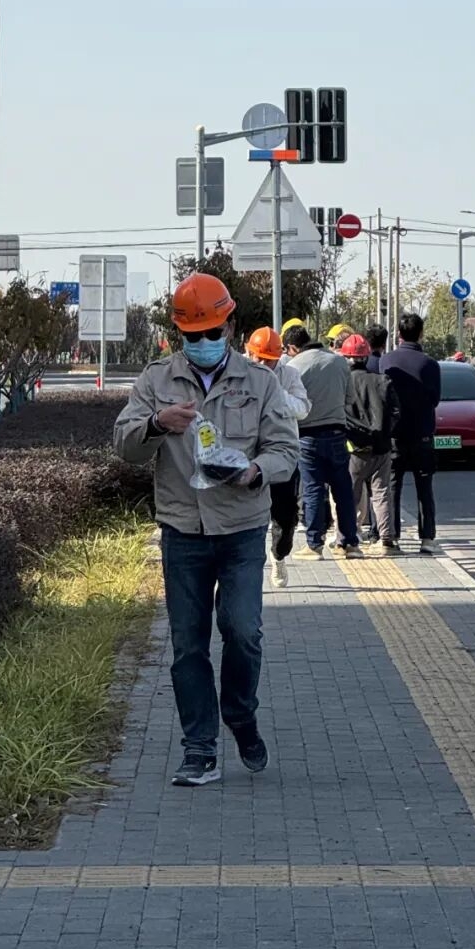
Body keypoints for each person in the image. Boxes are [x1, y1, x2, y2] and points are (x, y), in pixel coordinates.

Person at [114, 274, 298, 787]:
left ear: (230, 327)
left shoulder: (260, 381)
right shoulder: (156, 380)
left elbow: (286, 449)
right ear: (179, 334)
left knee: (243, 630)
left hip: (240, 527)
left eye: (212, 332)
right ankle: (200, 748)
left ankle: (239, 714)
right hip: (182, 529)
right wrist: (157, 425)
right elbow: (124, 445)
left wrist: (255, 471)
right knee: (188, 646)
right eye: (192, 336)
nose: (202, 342)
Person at [283, 325, 363, 558]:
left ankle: (314, 545)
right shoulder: (339, 362)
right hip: (338, 433)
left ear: (292, 347)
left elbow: (289, 405)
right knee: (343, 490)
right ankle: (350, 543)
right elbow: (350, 399)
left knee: (313, 489)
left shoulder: (294, 367)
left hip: (307, 436)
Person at [244, 325, 310, 588]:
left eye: (268, 360)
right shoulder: (238, 374)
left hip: (282, 457)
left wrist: (274, 391)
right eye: (257, 358)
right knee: (247, 517)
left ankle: (279, 555)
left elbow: (303, 408)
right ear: (248, 353)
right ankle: (248, 565)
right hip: (249, 456)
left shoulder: (289, 375)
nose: (262, 364)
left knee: (284, 516)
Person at [381, 312, 442, 555]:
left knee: (392, 485)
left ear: (398, 334)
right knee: (424, 487)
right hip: (422, 434)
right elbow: (435, 399)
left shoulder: (386, 361)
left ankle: (392, 536)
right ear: (421, 333)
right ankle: (427, 538)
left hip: (394, 435)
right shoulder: (430, 364)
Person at [341, 334, 399, 550]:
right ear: (366, 357)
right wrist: (384, 432)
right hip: (381, 447)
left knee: (350, 495)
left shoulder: (343, 383)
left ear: (346, 357)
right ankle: (386, 540)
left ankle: (349, 539)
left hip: (354, 449)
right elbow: (396, 412)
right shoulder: (382, 380)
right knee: (382, 493)